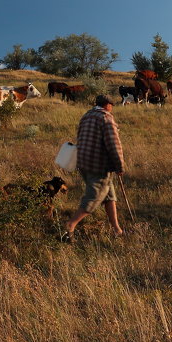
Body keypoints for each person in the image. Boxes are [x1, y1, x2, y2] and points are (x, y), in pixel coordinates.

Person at [63, 94, 125, 240]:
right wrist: (120, 165)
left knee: (109, 195)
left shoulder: (86, 116)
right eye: (112, 105)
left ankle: (117, 230)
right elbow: (114, 145)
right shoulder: (106, 118)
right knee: (95, 197)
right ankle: (70, 225)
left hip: (83, 162)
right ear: (107, 105)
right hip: (99, 165)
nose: (112, 108)